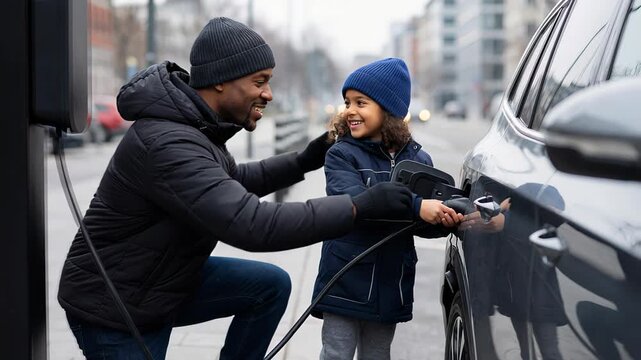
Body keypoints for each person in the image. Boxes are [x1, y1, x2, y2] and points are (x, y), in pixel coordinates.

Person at [57, 18, 420, 360]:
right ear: (222, 81)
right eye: (260, 81)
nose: (269, 94)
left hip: (160, 283)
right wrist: (358, 207)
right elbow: (252, 223)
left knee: (269, 286)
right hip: (115, 305)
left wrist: (304, 159)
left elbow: (231, 184)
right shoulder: (168, 142)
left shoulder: (193, 128)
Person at [310, 58, 463, 359]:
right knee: (336, 353)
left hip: (389, 282)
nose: (350, 110)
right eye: (347, 102)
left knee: (378, 355)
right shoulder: (341, 155)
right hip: (345, 278)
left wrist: (445, 219)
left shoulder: (419, 161)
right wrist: (418, 206)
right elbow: (358, 202)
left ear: (389, 109)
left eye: (361, 102)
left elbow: (419, 224)